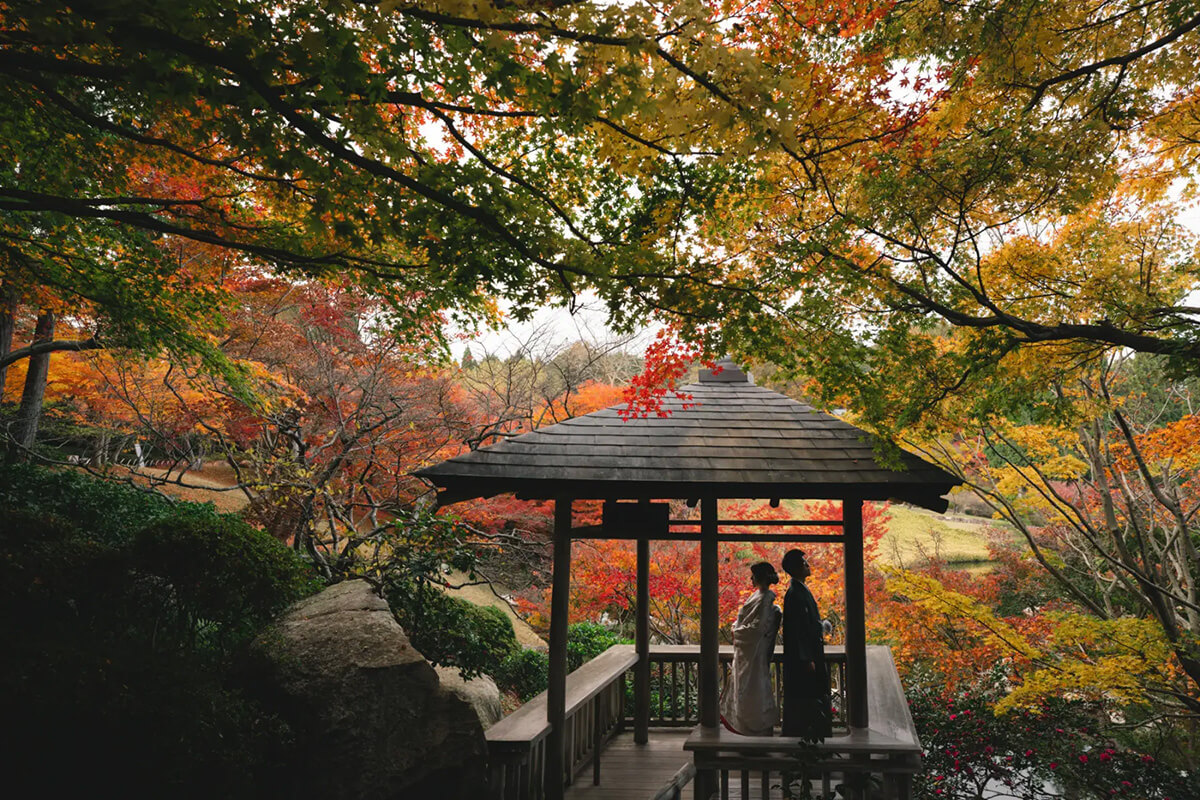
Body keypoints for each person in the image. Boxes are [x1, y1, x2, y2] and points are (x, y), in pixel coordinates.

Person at [720, 561, 781, 736]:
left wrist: (736, 632)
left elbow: (756, 629)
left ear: (759, 577)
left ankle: (754, 732)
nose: (750, 578)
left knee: (752, 690)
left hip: (753, 654)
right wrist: (736, 628)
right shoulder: (758, 596)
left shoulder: (765, 598)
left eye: (753, 575)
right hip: (747, 654)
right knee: (748, 690)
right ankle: (747, 730)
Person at [780, 549, 832, 741]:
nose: (808, 565)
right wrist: (806, 657)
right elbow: (798, 630)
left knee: (808, 697)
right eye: (804, 563)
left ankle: (810, 736)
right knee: (807, 697)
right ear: (795, 568)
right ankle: (808, 737)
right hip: (805, 658)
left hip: (807, 654)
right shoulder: (795, 593)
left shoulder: (798, 590)